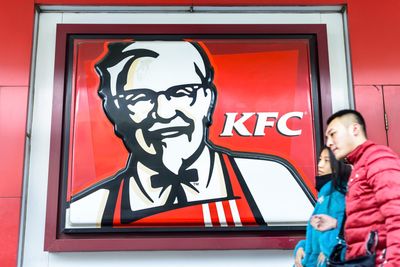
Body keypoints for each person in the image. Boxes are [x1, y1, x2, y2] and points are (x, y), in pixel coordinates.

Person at [65, 41, 314, 230]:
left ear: (208, 100)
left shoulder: (270, 182)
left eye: (182, 92)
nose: (164, 112)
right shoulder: (89, 209)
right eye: (140, 98)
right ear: (115, 113)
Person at [320, 109, 400, 266]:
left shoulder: (378, 158)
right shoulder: (360, 165)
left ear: (354, 129)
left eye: (333, 134)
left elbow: (397, 213)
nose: (329, 143)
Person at [293, 146, 351, 267]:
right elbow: (317, 235)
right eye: (320, 159)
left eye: (326, 160)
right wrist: (302, 248)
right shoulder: (326, 195)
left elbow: (347, 232)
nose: (320, 165)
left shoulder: (339, 195)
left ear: (338, 165)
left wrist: (330, 249)